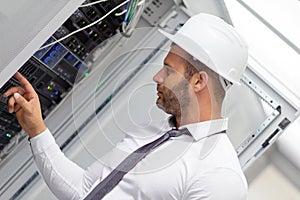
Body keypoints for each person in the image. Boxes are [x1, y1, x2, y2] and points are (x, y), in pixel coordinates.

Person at [3, 13, 248, 199]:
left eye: (169, 70)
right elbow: (83, 190)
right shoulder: (151, 133)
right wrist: (37, 129)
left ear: (198, 81)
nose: (158, 78)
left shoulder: (220, 176)